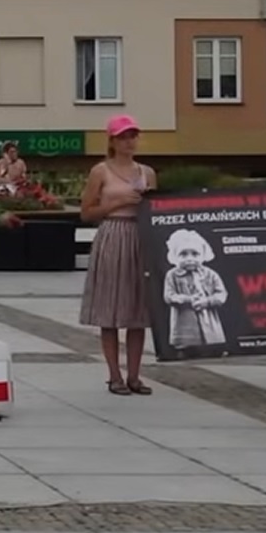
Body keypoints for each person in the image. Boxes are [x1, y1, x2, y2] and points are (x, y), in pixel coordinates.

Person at [78, 114, 157, 396]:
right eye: (123, 136)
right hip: (113, 234)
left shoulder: (147, 172)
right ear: (112, 140)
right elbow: (86, 212)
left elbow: (157, 211)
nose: (129, 142)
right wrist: (119, 202)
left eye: (133, 136)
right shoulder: (101, 171)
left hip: (140, 237)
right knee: (110, 308)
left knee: (139, 309)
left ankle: (135, 375)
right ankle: (114, 375)